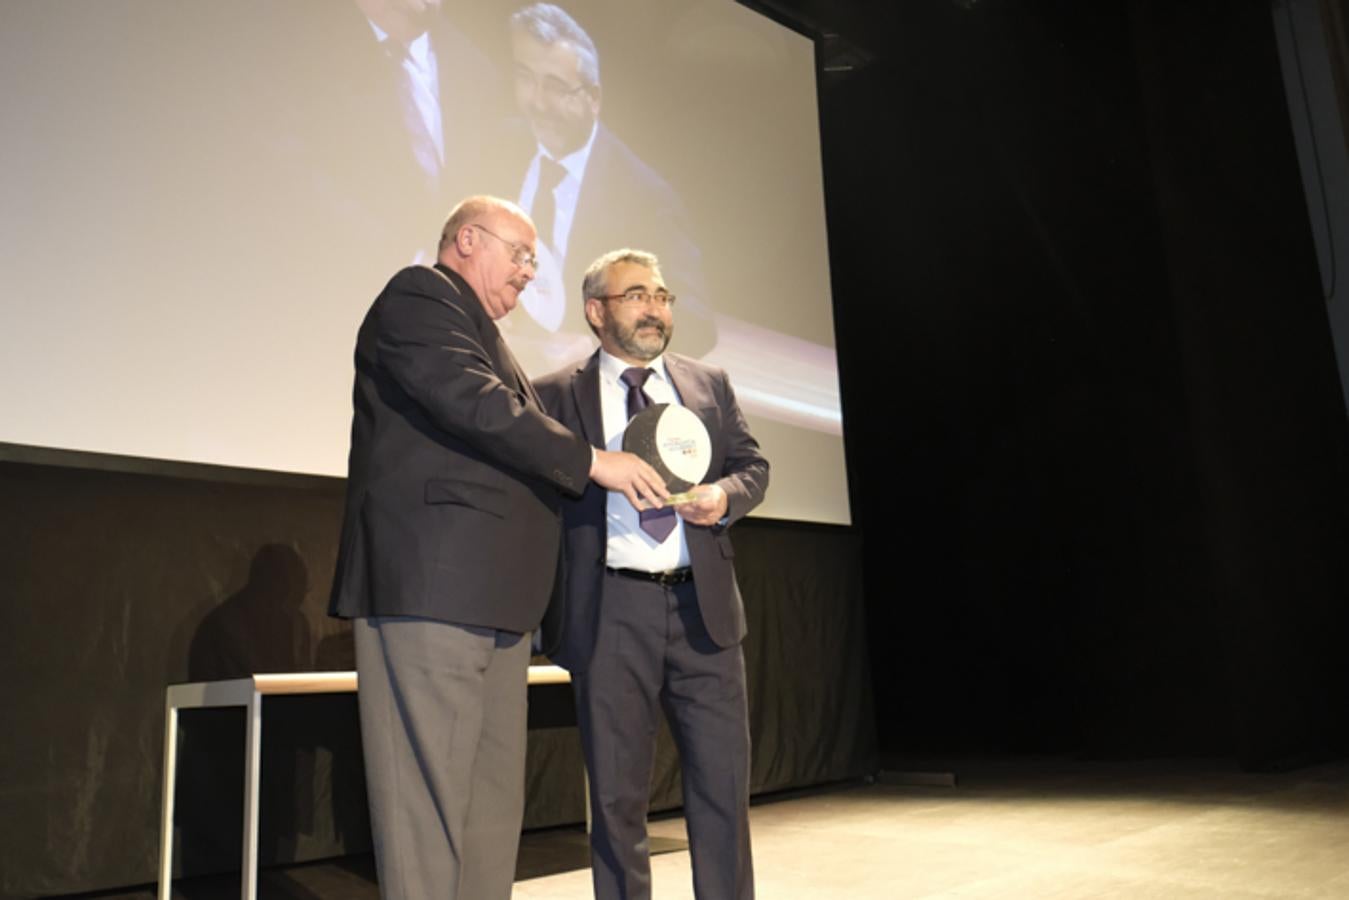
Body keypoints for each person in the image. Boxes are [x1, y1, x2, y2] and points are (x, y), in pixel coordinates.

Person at [328, 197, 666, 900]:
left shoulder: (483, 330)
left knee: (487, 813)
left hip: (497, 603)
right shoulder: (420, 295)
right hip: (432, 590)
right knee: (426, 811)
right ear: (466, 240)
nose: (527, 274)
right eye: (518, 254)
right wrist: (592, 460)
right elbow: (474, 404)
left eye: (534, 262)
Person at [536, 248, 768, 900]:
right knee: (615, 798)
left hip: (704, 611)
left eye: (662, 296)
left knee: (721, 789)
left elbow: (753, 467)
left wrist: (723, 497)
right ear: (595, 310)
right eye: (637, 294)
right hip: (610, 610)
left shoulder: (707, 384)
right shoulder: (555, 394)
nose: (655, 308)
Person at [504, 3, 717, 361]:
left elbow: (695, 324)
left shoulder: (645, 197)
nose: (537, 102)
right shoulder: (495, 145)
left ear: (594, 98)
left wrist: (597, 348)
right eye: (526, 78)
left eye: (556, 88)